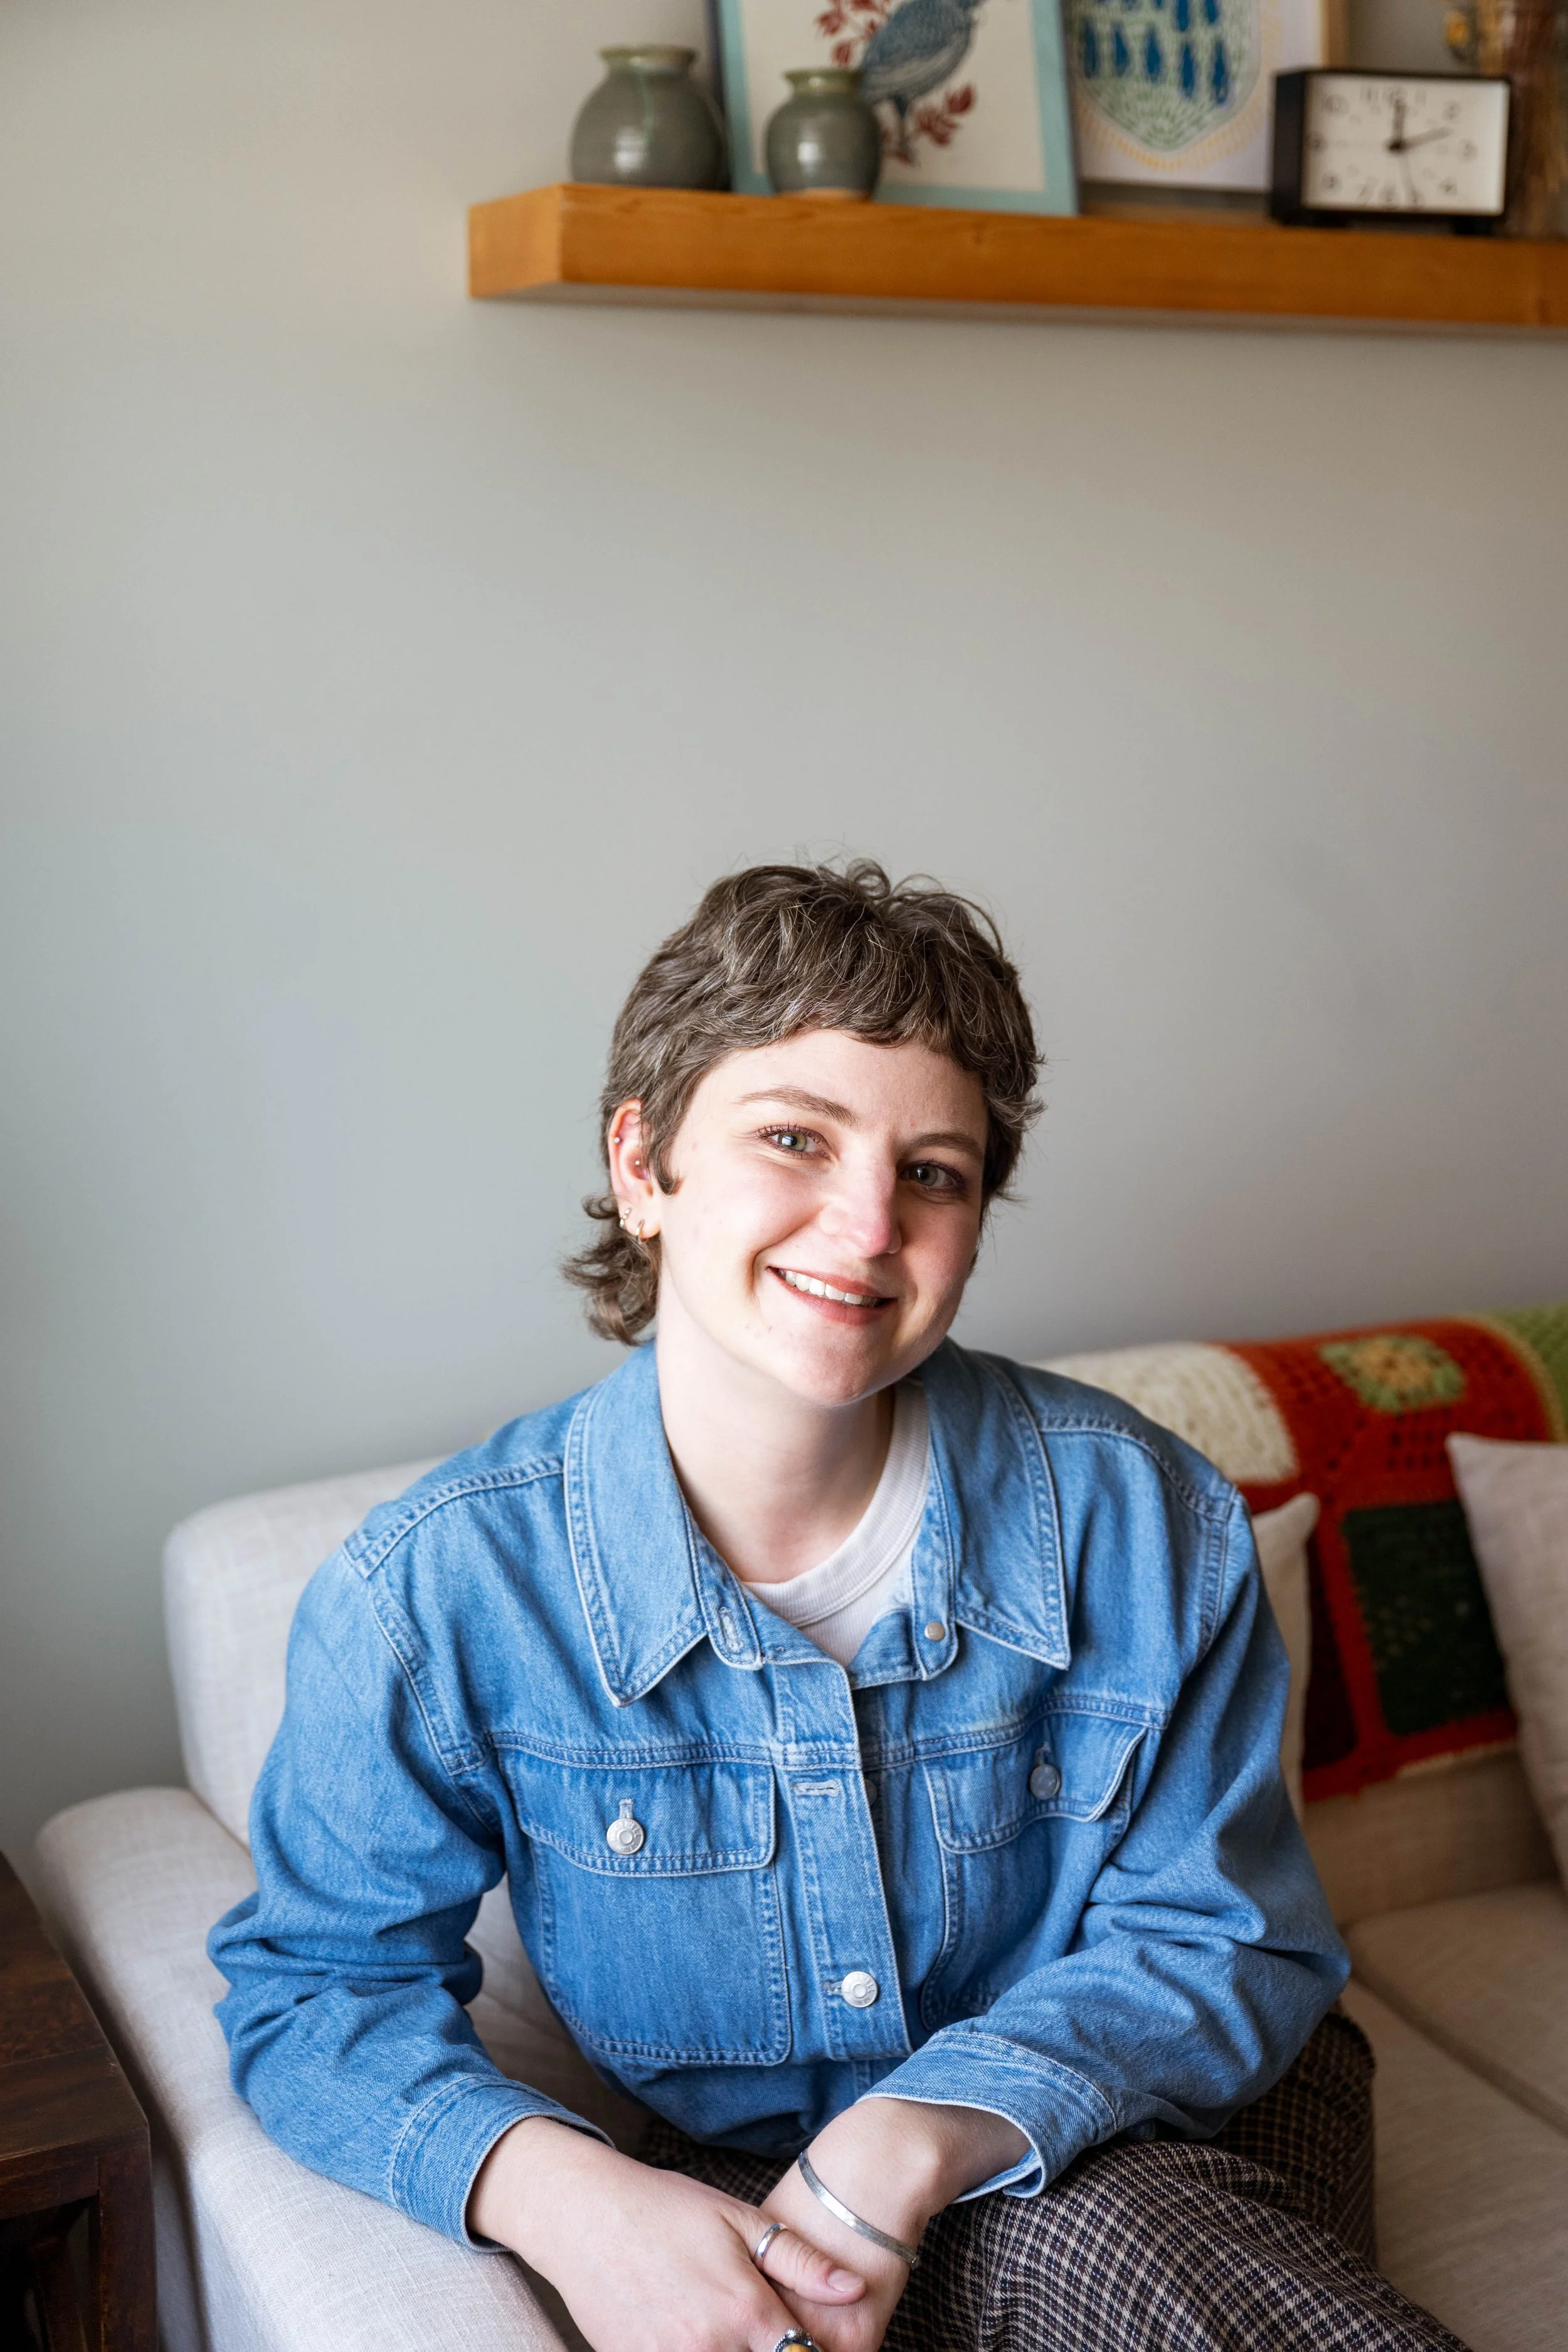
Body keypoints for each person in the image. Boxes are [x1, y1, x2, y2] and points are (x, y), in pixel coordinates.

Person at [211, 861, 1468, 2352]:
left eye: (931, 1172)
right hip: (748, 2178)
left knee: (1103, 2224)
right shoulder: (437, 1591)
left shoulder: (1147, 1519)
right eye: (793, 1138)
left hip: (1176, 2115)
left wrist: (916, 2136)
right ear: (641, 1165)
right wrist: (561, 2198)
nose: (868, 1226)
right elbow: (316, 1990)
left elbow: (1225, 1941)